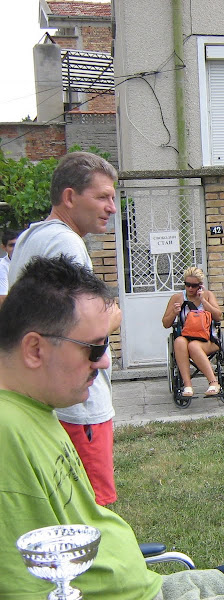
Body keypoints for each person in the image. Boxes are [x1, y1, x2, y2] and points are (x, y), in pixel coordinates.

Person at [0, 255, 224, 600]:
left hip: (142, 581)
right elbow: (26, 586)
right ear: (35, 349)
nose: (105, 361)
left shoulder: (41, 408)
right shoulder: (8, 438)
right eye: (95, 347)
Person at [8, 151, 121, 506]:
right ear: (70, 197)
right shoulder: (66, 242)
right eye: (102, 197)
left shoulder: (30, 236)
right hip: (79, 405)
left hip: (48, 397)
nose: (112, 208)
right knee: (93, 508)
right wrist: (114, 314)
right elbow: (85, 324)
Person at [162, 266, 224, 397]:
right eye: (187, 285)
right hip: (186, 337)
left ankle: (214, 382)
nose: (190, 288)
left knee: (193, 346)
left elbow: (218, 316)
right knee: (179, 341)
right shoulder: (177, 298)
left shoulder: (207, 296)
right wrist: (174, 313)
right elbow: (166, 324)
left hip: (208, 339)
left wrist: (203, 301)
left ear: (200, 285)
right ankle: (188, 386)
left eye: (194, 286)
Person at [0, 228, 20, 302]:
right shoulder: (2, 267)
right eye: (12, 245)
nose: (15, 248)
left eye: (18, 245)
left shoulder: (27, 259)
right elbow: (2, 298)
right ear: (4, 247)